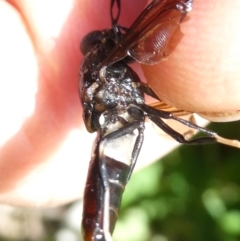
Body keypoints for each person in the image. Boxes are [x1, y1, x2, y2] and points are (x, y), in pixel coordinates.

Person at [0, 0, 239, 207]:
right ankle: (223, 139)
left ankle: (222, 139)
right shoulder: (102, 69)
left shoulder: (100, 74)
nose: (110, 35)